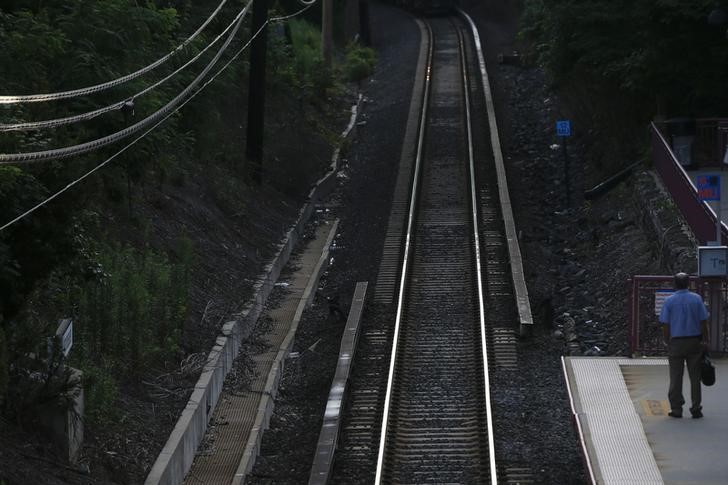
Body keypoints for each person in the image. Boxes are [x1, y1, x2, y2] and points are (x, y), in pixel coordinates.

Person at [659, 272, 709, 419]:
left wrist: (667, 340)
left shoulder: (669, 301)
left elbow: (665, 324)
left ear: (674, 284)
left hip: (676, 342)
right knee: (695, 377)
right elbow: (703, 321)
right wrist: (705, 339)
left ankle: (676, 409)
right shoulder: (696, 299)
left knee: (675, 376)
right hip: (694, 342)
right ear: (689, 284)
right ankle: (696, 408)